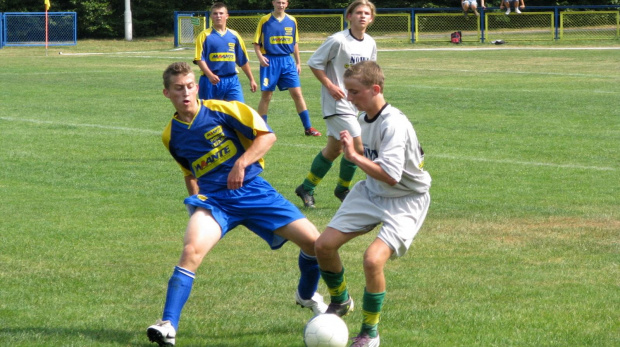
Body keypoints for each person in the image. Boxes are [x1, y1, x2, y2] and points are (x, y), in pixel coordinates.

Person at [146, 62, 327, 347]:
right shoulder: (171, 136)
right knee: (191, 251)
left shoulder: (224, 109)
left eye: (190, 86)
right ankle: (168, 324)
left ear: (197, 87)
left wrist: (241, 164)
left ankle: (306, 295)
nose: (186, 93)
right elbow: (190, 172)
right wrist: (195, 204)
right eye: (178, 88)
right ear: (166, 93)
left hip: (254, 192)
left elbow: (268, 136)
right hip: (215, 203)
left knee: (315, 244)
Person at [314, 61, 431, 347]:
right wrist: (354, 151)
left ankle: (369, 333)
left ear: (375, 89)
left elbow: (391, 175)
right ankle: (341, 301)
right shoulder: (364, 116)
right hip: (371, 191)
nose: (348, 98)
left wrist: (354, 157)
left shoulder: (394, 123)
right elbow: (375, 161)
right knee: (323, 246)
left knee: (372, 259)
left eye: (354, 92)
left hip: (405, 200)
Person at [295, 0, 377, 208]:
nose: (362, 16)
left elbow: (371, 73)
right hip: (337, 102)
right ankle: (342, 189)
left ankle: (306, 188)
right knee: (358, 148)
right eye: (357, 12)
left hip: (356, 104)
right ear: (348, 16)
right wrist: (330, 86)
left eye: (366, 13)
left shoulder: (370, 43)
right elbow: (314, 63)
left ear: (371, 18)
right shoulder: (338, 40)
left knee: (334, 150)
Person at [252, 0, 321, 137]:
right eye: (278, 2)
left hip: (287, 61)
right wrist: (260, 57)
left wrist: (298, 62)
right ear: (273, 3)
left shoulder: (292, 20)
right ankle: (261, 130)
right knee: (266, 96)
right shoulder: (265, 20)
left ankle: (308, 128)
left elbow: (295, 43)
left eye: (283, 2)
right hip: (270, 61)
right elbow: (256, 43)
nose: (281, 5)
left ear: (287, 4)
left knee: (297, 94)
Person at [194, 2, 257, 102]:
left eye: (221, 13)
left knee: (238, 112)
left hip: (232, 80)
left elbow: (242, 60)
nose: (218, 16)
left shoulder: (234, 35)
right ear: (211, 16)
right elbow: (199, 59)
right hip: (210, 81)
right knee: (209, 114)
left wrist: (251, 79)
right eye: (215, 13)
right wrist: (210, 75)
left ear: (227, 16)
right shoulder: (204, 35)